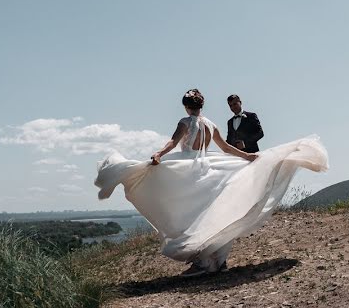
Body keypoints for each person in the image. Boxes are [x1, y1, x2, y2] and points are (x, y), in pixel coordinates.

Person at [95, 89, 328, 278]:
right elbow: (226, 149)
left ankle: (204, 261)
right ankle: (217, 260)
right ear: (201, 106)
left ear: (186, 106)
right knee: (210, 212)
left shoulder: (185, 121)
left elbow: (173, 143)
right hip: (208, 168)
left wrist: (158, 154)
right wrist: (247, 158)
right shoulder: (212, 124)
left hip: (187, 170)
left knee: (186, 212)